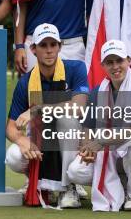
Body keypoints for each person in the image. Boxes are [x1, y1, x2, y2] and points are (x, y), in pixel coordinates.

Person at [67, 40, 131, 211]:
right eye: (109, 62)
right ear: (102, 65)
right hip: (109, 155)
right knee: (75, 171)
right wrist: (88, 149)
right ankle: (121, 184)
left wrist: (102, 141)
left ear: (129, 60)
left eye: (119, 60)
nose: (115, 66)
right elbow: (87, 130)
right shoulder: (97, 91)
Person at [5, 23, 89, 208]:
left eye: (53, 44)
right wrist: (21, 141)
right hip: (41, 143)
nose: (49, 50)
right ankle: (38, 180)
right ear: (33, 49)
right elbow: (11, 126)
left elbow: (79, 107)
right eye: (43, 45)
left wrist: (38, 108)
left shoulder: (76, 68)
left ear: (60, 46)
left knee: (66, 117)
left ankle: (68, 187)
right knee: (13, 156)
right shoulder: (26, 82)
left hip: (74, 144)